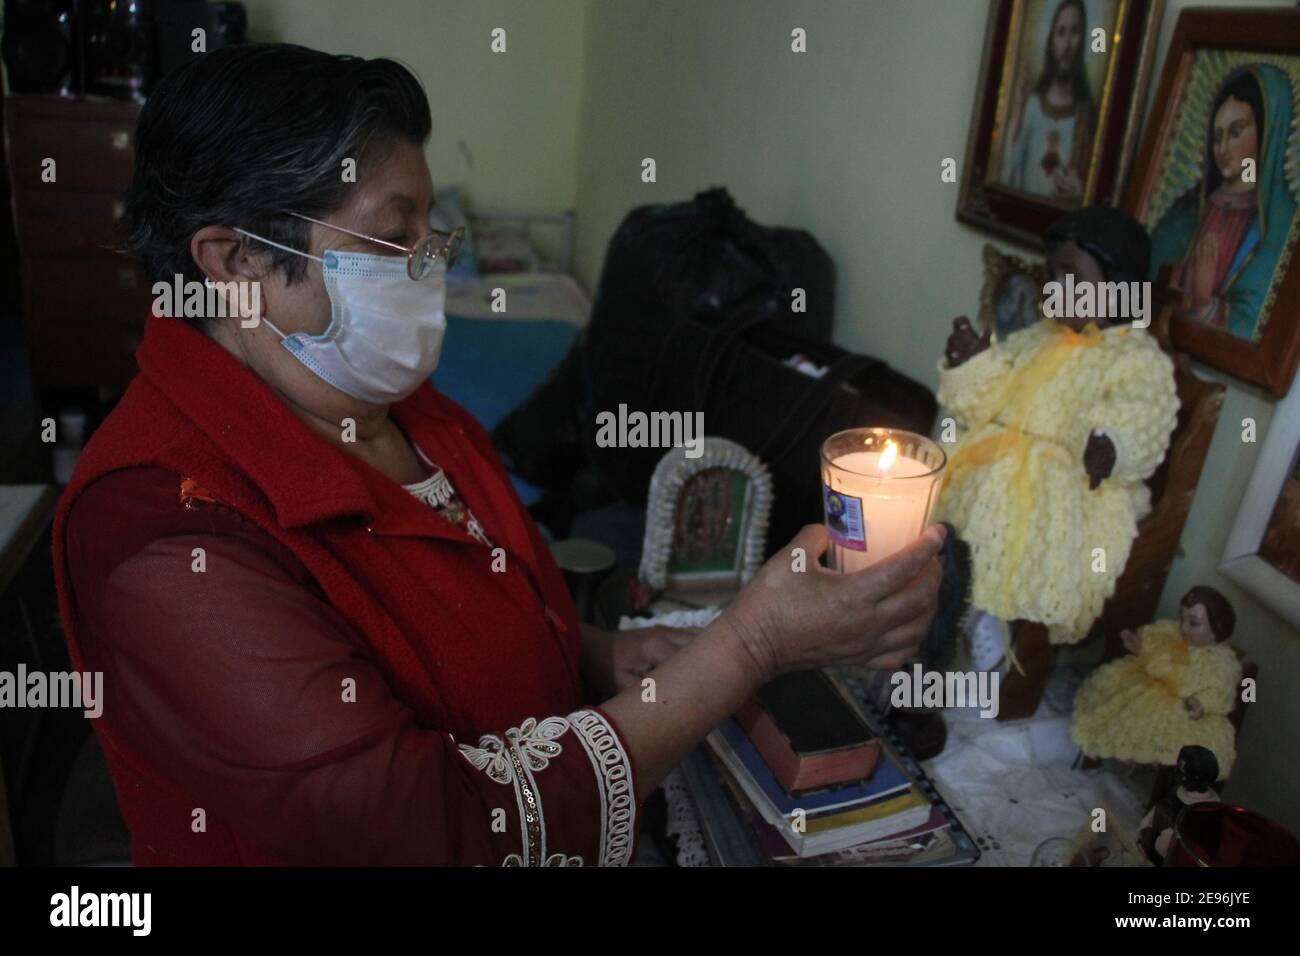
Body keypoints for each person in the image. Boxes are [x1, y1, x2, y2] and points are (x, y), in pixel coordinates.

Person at [52, 43, 944, 866]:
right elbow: (437, 828)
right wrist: (748, 648)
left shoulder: (387, 401)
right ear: (238, 262)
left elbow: (476, 596)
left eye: (427, 233)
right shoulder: (165, 541)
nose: (426, 267)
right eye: (390, 238)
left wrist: (593, 655)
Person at [937, 207, 1178, 646]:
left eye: (1072, 277)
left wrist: (1111, 447)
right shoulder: (1038, 337)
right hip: (995, 461)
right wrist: (972, 364)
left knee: (1001, 511)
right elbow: (989, 400)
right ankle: (943, 601)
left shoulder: (1135, 359)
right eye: (1053, 274)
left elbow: (1143, 415)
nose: (1055, 288)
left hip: (1072, 482)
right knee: (948, 494)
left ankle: (984, 620)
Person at [1149, 65, 1299, 339]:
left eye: (1236, 131)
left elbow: (1255, 328)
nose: (1222, 148)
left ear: (1267, 131)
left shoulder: (1283, 227)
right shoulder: (1186, 212)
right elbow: (1143, 288)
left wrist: (1206, 305)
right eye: (1217, 136)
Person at [1071, 587, 1242, 779]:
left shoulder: (1218, 663)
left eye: (1193, 623)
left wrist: (1202, 702)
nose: (1184, 628)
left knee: (1155, 729)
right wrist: (1140, 646)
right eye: (1182, 619)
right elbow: (1156, 651)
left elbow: (1220, 692)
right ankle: (1101, 755)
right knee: (1118, 701)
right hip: (1150, 687)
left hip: (1180, 707)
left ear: (1215, 631)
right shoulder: (1173, 636)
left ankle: (1134, 763)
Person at [999, 0, 1098, 201]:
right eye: (1061, 32)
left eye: (1075, 31)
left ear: (1083, 41)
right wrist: (1018, 111)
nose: (1067, 44)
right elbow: (1007, 177)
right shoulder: (1031, 107)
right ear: (1051, 42)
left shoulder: (1088, 115)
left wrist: (1080, 194)